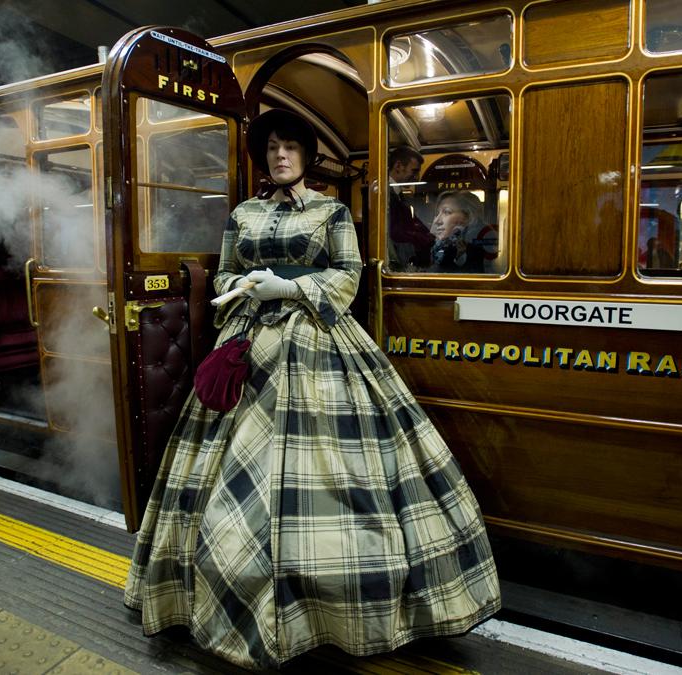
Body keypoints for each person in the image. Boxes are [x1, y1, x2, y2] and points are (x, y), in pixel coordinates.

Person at [124, 109, 500, 669]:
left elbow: (348, 276)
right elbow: (225, 273)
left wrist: (292, 286)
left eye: (290, 146)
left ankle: (330, 612)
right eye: (272, 147)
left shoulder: (332, 211)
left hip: (317, 342)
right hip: (248, 345)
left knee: (339, 472)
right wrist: (244, 287)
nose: (280, 155)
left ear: (306, 156)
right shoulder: (243, 214)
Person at [387, 146, 434, 270]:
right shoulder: (384, 194)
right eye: (414, 171)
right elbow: (393, 233)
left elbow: (407, 224)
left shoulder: (398, 195)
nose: (417, 178)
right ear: (398, 166)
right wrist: (423, 238)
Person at [428, 191, 486, 274]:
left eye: (447, 212)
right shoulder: (440, 248)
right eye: (437, 214)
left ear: (470, 218)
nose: (436, 220)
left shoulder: (475, 251)